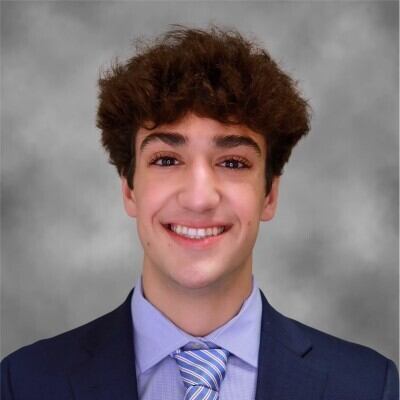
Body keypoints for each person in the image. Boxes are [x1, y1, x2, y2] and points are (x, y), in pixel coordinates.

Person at [1, 25, 398, 400]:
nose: (199, 198)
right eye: (167, 160)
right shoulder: (24, 384)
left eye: (233, 163)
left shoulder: (366, 386)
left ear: (270, 195)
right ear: (129, 189)